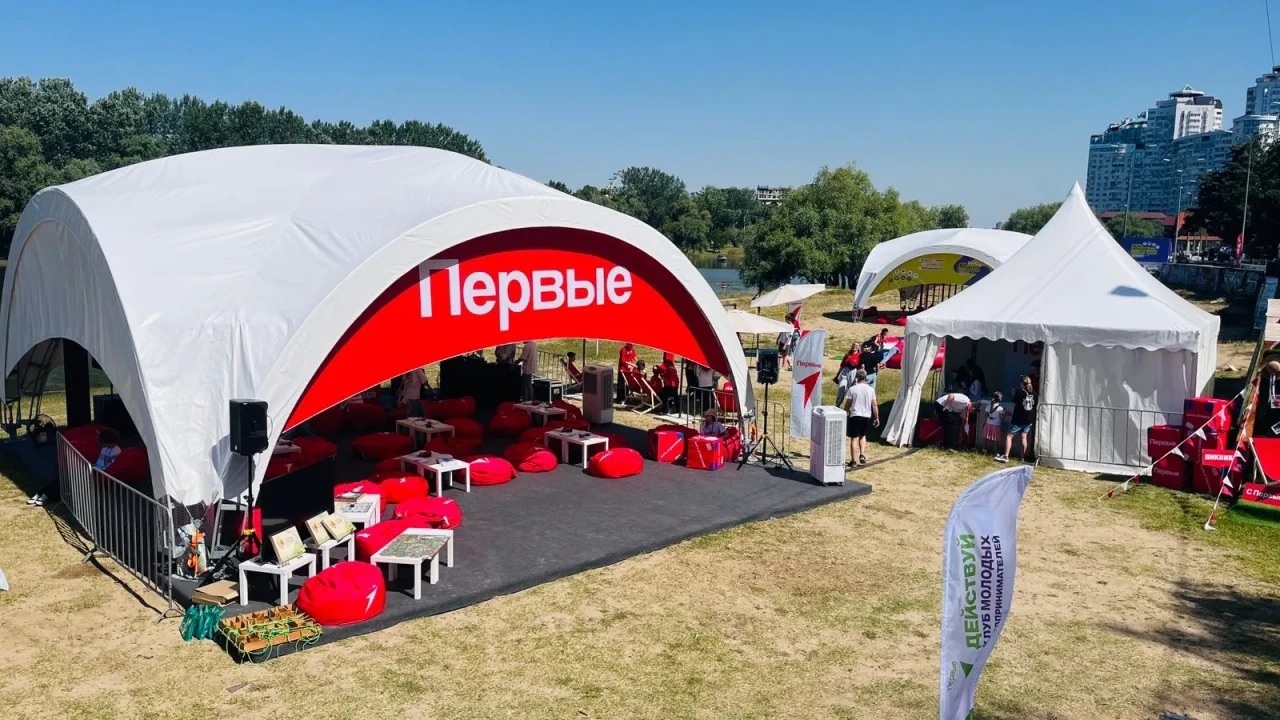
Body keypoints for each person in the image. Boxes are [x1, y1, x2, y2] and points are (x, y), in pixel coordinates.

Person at [843, 369, 879, 466]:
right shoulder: (870, 390)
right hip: (866, 415)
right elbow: (874, 404)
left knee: (854, 438)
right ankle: (862, 453)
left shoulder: (853, 389)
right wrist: (877, 418)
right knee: (863, 436)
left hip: (855, 415)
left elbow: (848, 404)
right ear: (865, 377)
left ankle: (853, 460)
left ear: (857, 377)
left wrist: (845, 413)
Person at [1002, 375, 1036, 463]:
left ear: (1022, 383)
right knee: (1024, 437)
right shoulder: (1034, 393)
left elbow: (1013, 405)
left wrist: (1014, 395)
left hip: (1018, 419)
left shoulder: (1019, 392)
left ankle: (1006, 456)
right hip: (1028, 420)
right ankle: (1022, 457)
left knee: (1009, 436)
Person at [984, 391, 1006, 457]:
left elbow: (985, 415)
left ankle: (984, 449)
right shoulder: (1000, 408)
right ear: (1000, 399)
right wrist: (1004, 413)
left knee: (986, 437)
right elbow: (1002, 418)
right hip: (996, 425)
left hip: (988, 424)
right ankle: (995, 452)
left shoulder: (989, 405)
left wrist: (984, 422)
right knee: (996, 439)